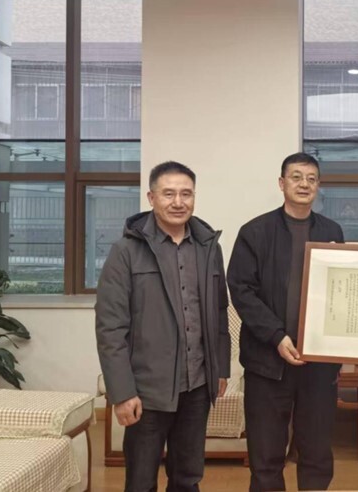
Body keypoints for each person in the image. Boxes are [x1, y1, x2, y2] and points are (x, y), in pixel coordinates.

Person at [95, 161, 230, 492]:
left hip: (197, 385)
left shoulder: (208, 247)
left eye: (186, 194)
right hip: (147, 390)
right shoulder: (126, 251)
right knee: (141, 482)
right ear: (151, 197)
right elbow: (110, 327)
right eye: (169, 194)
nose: (178, 202)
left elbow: (219, 312)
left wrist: (221, 368)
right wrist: (122, 392)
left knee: (188, 478)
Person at [227, 152, 344, 492]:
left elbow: (340, 290)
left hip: (318, 365)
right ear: (281, 183)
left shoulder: (332, 231)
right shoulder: (254, 231)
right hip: (267, 362)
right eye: (296, 177)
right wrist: (277, 336)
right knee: (266, 456)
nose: (304, 184)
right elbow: (242, 291)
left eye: (311, 178)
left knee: (317, 453)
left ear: (318, 186)